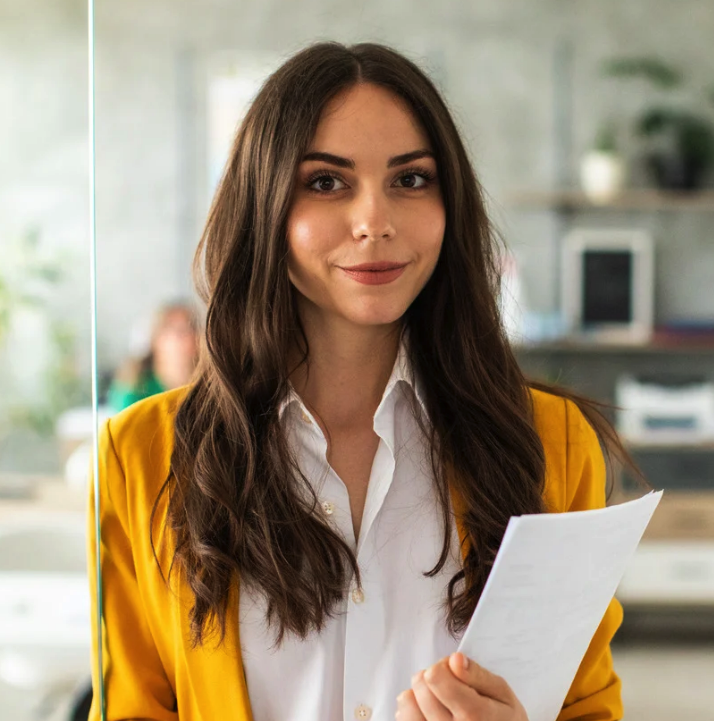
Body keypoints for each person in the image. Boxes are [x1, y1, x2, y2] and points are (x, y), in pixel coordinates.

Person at [88, 42, 637, 721]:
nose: (375, 220)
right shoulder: (140, 456)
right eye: (325, 182)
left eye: (411, 180)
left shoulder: (552, 445)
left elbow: (588, 707)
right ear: (264, 208)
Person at [106, 301, 200, 412]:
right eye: (177, 330)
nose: (188, 336)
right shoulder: (133, 390)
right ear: (156, 339)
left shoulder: (207, 388)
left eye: (191, 327)